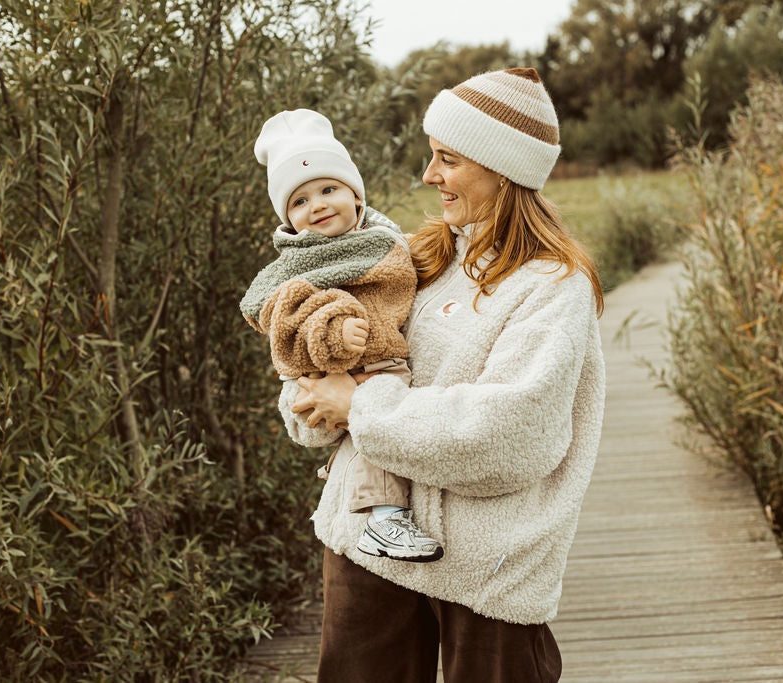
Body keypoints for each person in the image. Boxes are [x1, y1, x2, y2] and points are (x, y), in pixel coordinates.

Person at [287, 68, 606, 682]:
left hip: (487, 570)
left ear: (501, 169)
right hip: (364, 549)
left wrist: (359, 408)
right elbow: (315, 367)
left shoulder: (552, 289)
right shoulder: (414, 259)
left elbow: (509, 436)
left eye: (447, 159)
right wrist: (313, 405)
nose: (429, 175)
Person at [241, 109, 443, 562]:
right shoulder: (295, 262)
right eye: (299, 201)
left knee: (377, 417)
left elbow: (393, 287)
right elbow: (272, 307)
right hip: (350, 367)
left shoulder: (385, 241)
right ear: (289, 219)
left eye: (328, 189)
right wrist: (330, 330)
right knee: (378, 408)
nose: (317, 206)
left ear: (355, 194)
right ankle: (385, 518)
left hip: (380, 359)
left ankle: (381, 511)